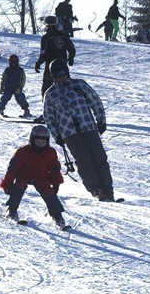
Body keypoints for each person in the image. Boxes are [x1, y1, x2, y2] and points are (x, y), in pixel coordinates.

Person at [43, 59, 115, 202]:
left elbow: (95, 101)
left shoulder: (79, 84)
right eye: (58, 74)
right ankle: (97, 190)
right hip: (69, 133)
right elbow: (48, 116)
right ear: (53, 75)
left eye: (63, 73)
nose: (61, 76)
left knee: (100, 158)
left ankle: (108, 192)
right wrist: (56, 135)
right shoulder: (51, 94)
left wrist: (101, 121)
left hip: (88, 127)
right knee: (83, 161)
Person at [0, 125, 67, 227]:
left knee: (48, 191)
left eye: (43, 142)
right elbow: (13, 168)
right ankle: (12, 210)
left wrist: (56, 183)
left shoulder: (50, 152)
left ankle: (57, 216)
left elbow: (54, 169)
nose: (40, 144)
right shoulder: (23, 151)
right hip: (24, 174)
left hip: (41, 176)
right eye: (38, 141)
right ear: (32, 140)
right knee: (19, 185)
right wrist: (7, 184)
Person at [35, 15, 76, 98]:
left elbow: (43, 53)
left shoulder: (46, 37)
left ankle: (47, 106)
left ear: (46, 25)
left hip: (50, 67)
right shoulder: (64, 35)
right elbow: (72, 48)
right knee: (66, 86)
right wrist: (71, 57)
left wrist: (38, 63)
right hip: (63, 65)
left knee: (47, 89)